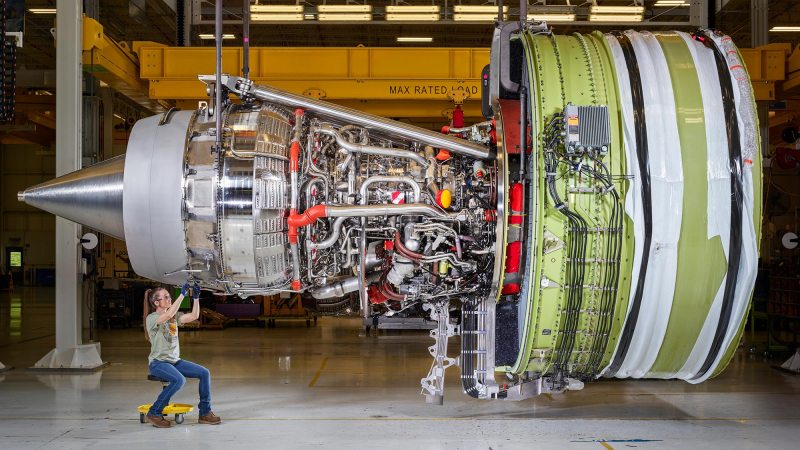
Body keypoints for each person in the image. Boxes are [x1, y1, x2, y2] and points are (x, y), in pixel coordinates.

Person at [142, 283, 221, 428]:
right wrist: (182, 294)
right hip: (159, 363)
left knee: (204, 373)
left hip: (174, 361)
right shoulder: (152, 318)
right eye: (165, 297)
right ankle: (154, 412)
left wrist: (196, 298)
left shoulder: (173, 317)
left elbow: (194, 316)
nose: (169, 299)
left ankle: (205, 413)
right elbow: (168, 314)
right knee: (179, 380)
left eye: (169, 296)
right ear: (156, 303)